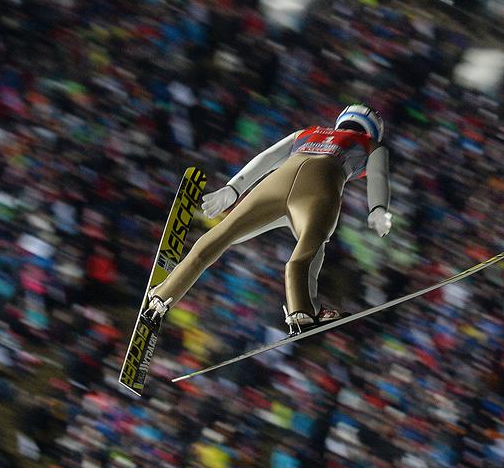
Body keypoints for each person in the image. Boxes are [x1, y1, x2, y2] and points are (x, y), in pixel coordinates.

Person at [144, 105, 393, 333]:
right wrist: (378, 208)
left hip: (273, 185)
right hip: (320, 187)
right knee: (308, 249)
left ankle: (163, 295)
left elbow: (267, 157)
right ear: (373, 129)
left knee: (222, 234)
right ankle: (302, 310)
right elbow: (379, 175)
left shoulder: (308, 132)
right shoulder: (371, 144)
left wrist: (232, 189)